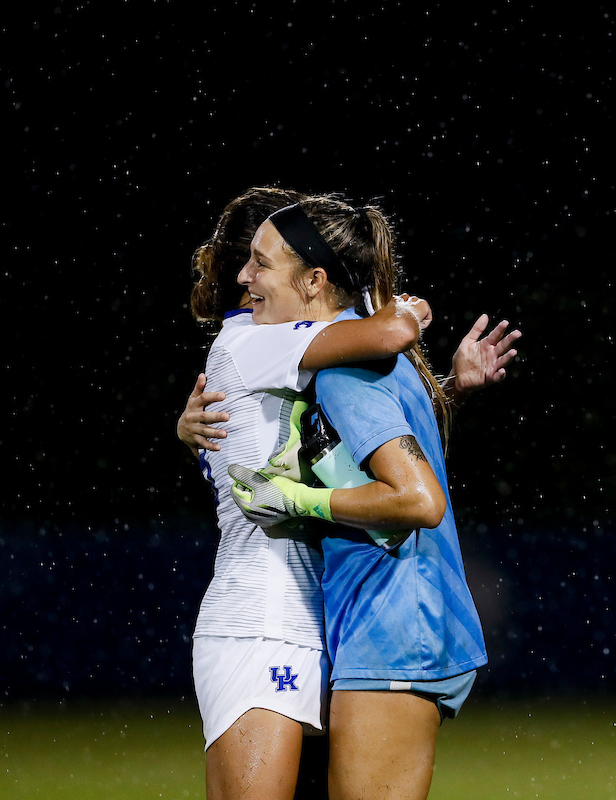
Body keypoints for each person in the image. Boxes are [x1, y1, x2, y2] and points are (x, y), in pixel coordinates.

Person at [226, 198, 512, 800]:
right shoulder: (370, 357)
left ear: (313, 281)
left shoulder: (343, 370)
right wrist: (453, 392)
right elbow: (382, 456)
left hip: (395, 627)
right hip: (392, 619)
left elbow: (418, 500)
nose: (244, 280)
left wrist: (299, 501)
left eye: (260, 264)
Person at [181, 187, 440, 800]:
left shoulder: (274, 351)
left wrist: (450, 386)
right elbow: (386, 335)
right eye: (253, 260)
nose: (250, 276)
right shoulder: (251, 340)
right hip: (261, 616)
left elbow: (355, 434)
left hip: (309, 617)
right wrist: (404, 309)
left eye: (263, 261)